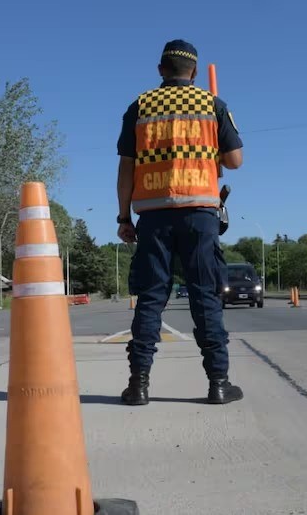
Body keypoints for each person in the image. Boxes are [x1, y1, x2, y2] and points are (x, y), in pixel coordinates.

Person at [115, 39, 244, 406]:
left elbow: (126, 168)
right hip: (200, 215)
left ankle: (138, 385)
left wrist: (124, 216)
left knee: (152, 298)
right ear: (195, 72)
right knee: (205, 297)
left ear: (160, 70)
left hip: (153, 217)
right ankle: (219, 383)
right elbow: (234, 161)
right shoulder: (212, 105)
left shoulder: (139, 107)